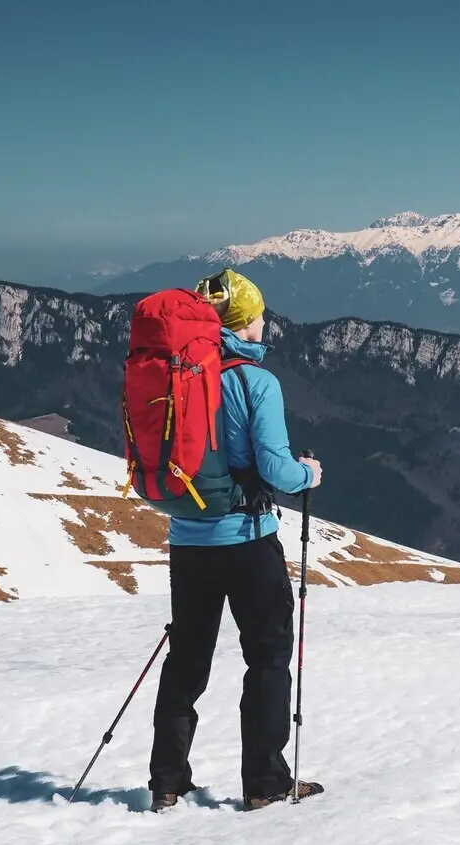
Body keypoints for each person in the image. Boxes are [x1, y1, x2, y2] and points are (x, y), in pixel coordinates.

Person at [147, 268, 325, 812]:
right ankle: (264, 782)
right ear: (246, 323)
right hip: (248, 538)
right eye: (260, 316)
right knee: (268, 656)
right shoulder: (255, 381)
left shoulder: (176, 375)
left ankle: (167, 782)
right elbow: (273, 466)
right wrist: (308, 474)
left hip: (188, 540)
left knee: (187, 659)